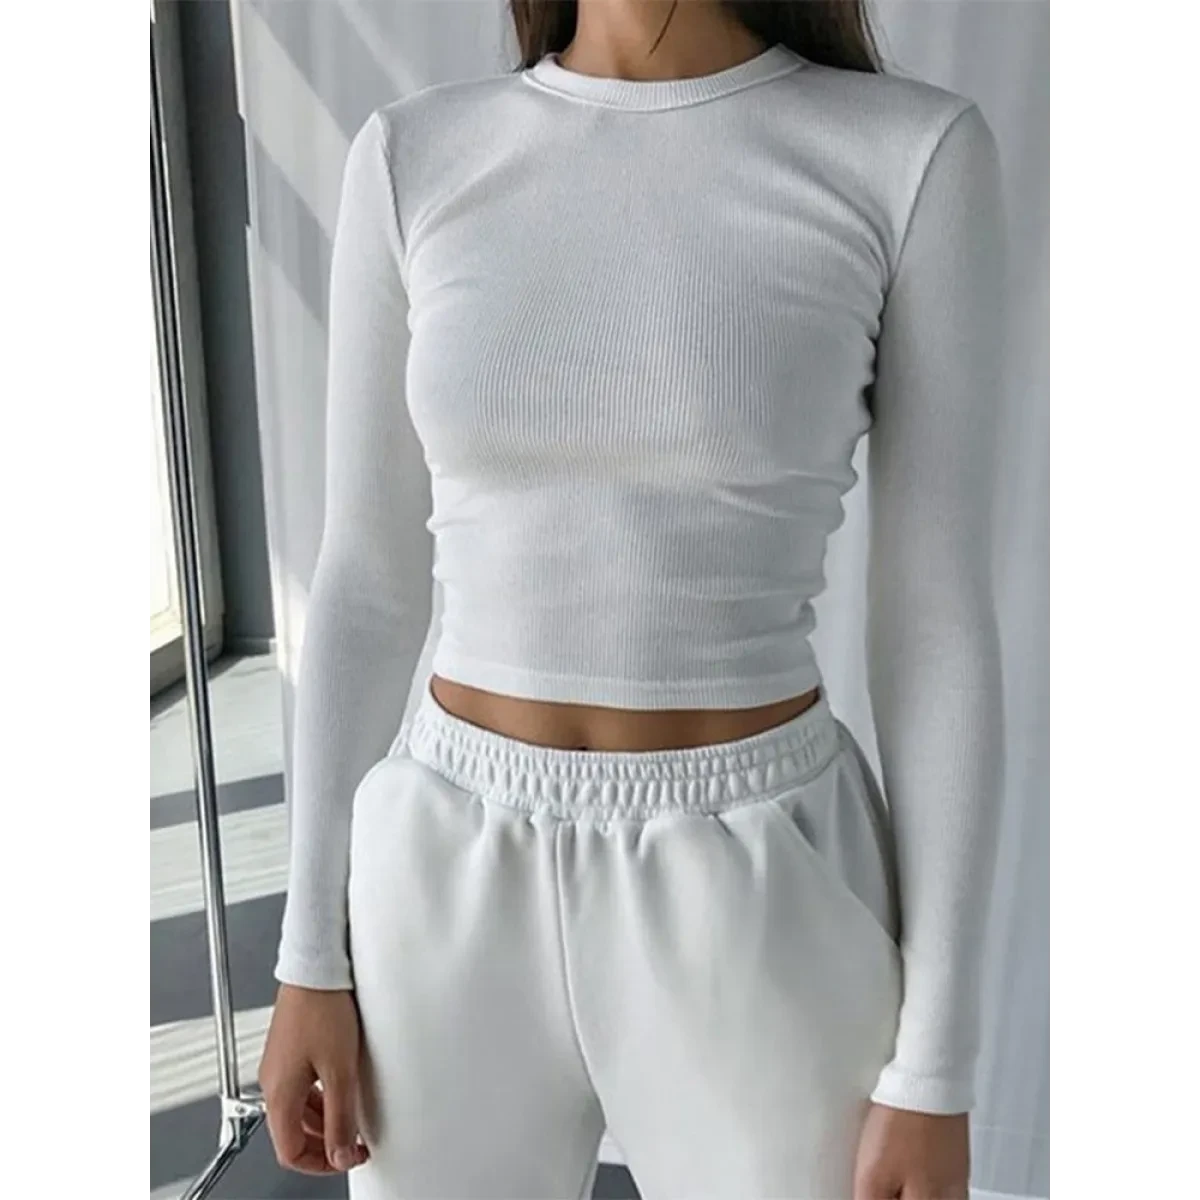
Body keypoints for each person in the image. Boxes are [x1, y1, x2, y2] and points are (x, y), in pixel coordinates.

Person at [259, 0, 1007, 1196]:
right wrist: (311, 954)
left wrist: (938, 1068)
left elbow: (938, 626)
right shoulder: (413, 157)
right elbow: (364, 585)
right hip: (444, 859)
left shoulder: (906, 156)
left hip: (756, 876)